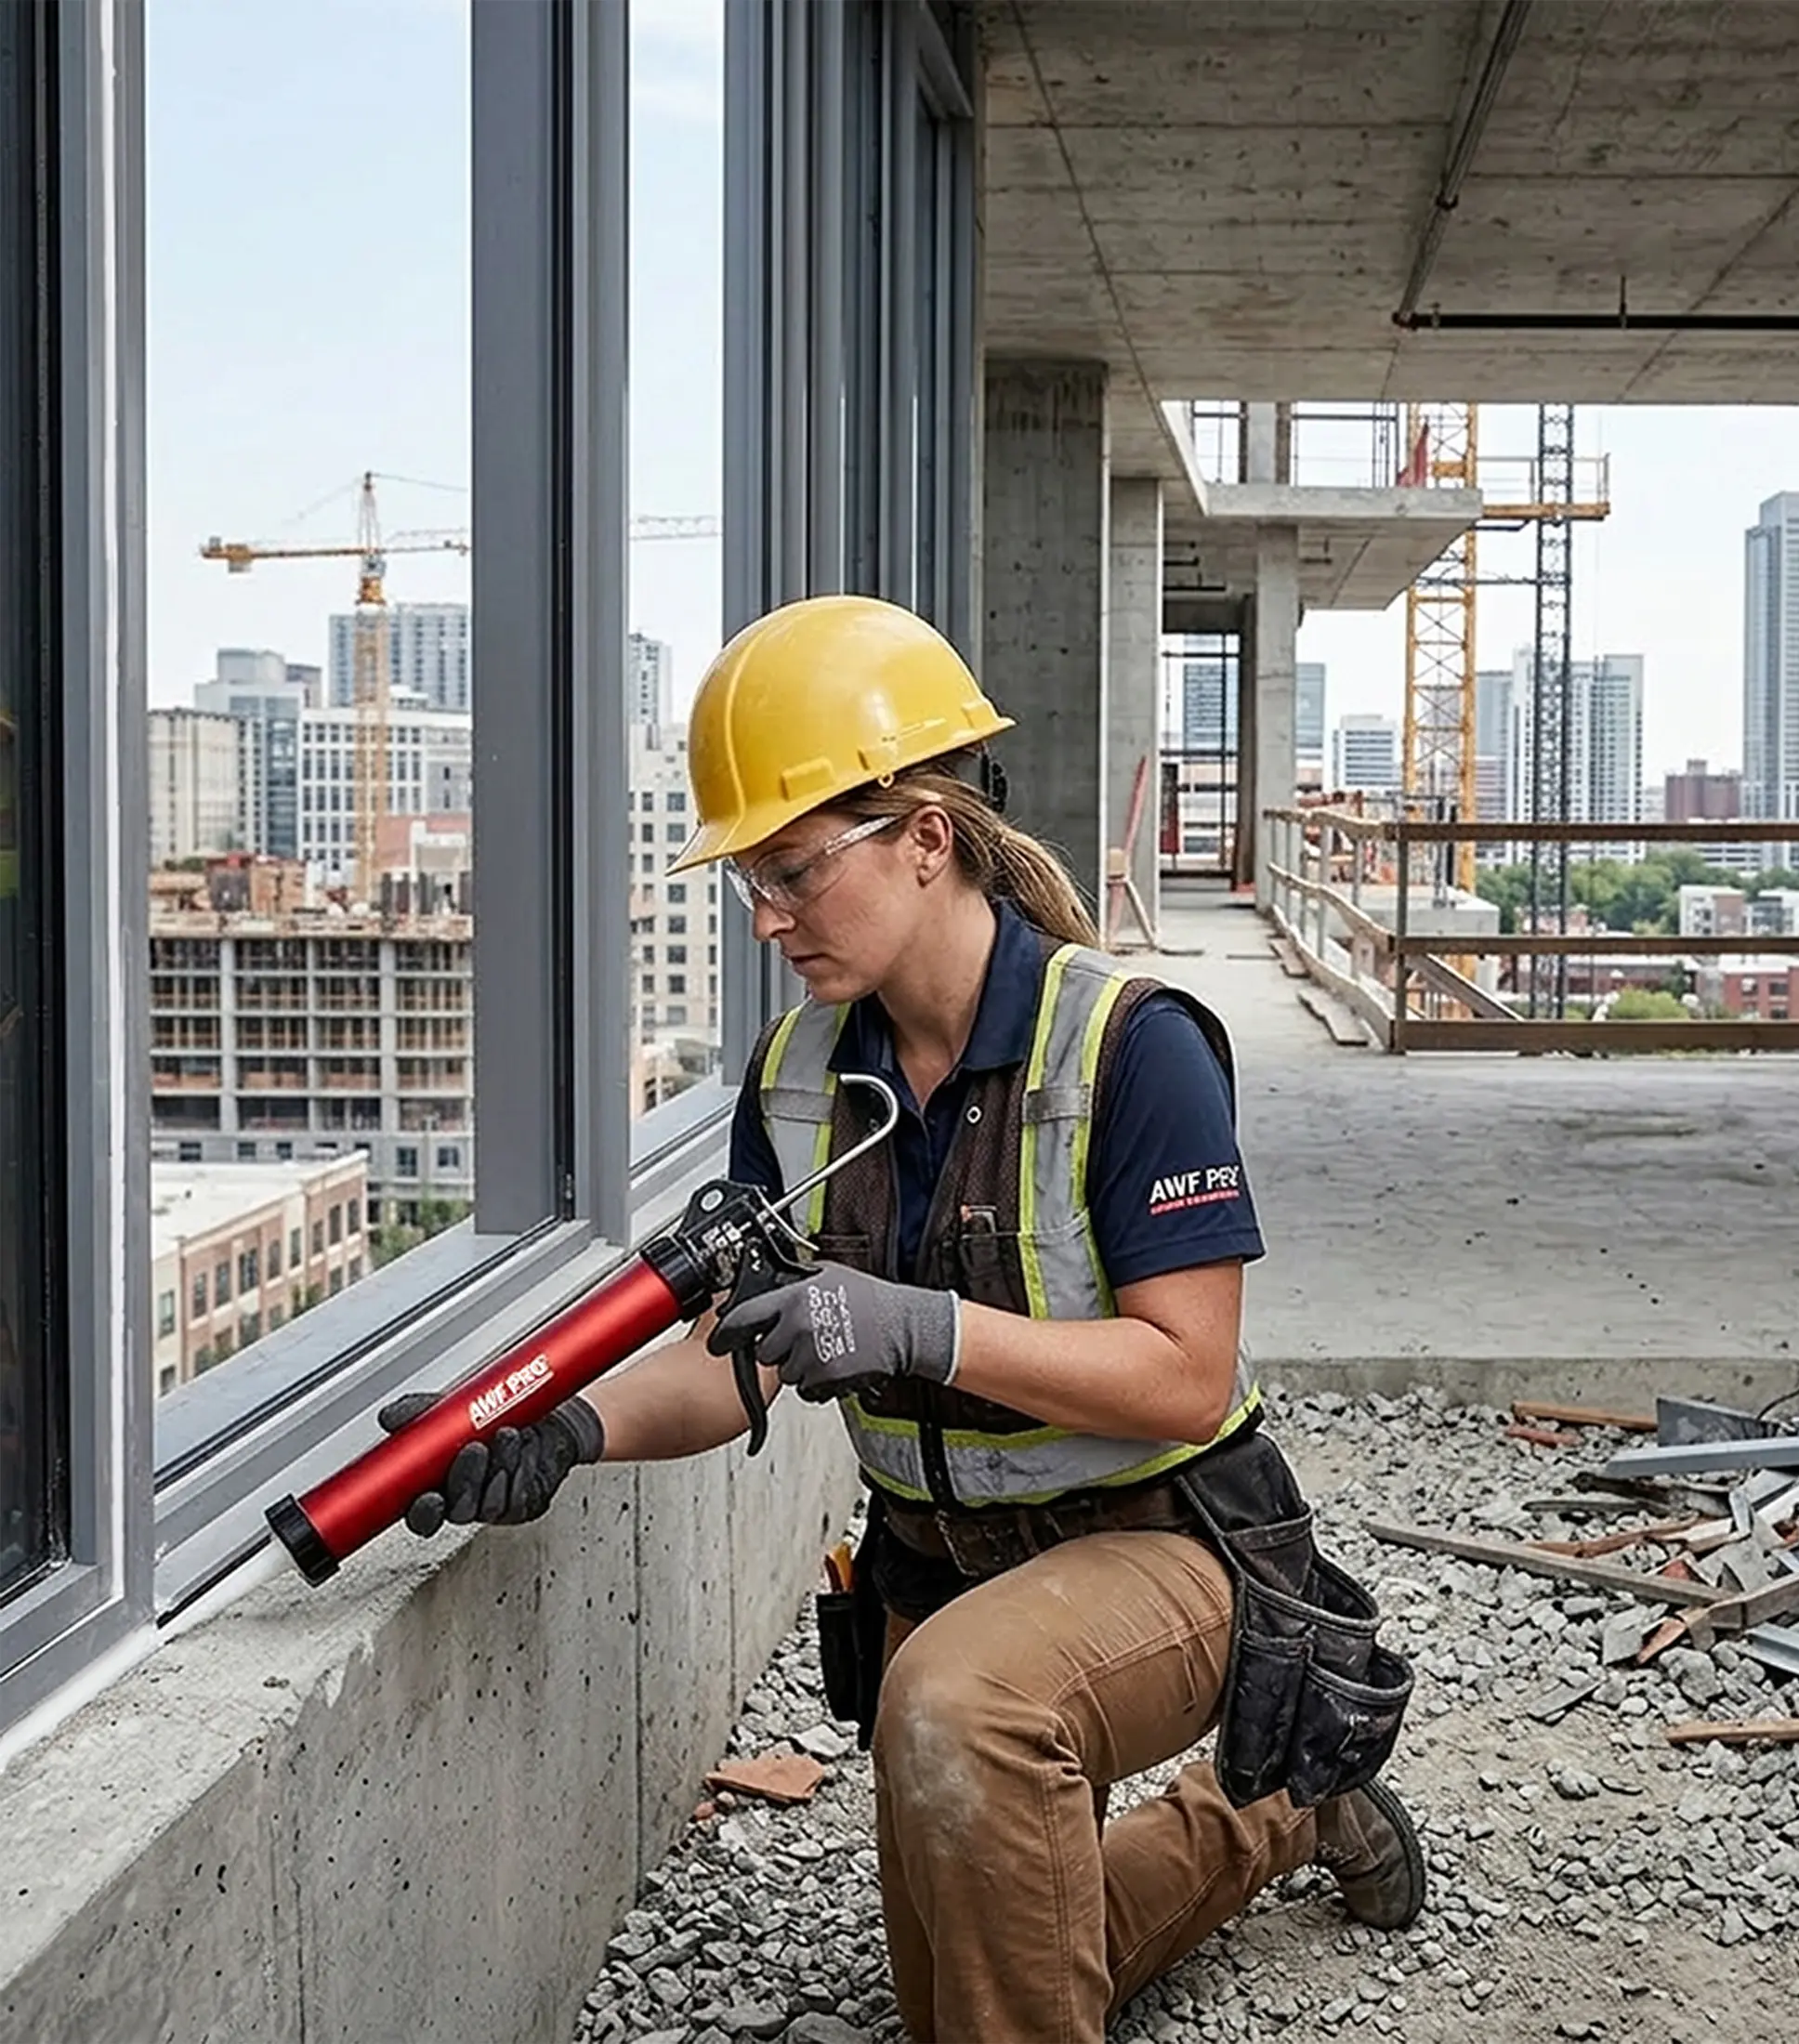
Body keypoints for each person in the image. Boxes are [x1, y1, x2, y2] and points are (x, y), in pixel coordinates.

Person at [384, 595, 1425, 2044]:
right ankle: (1283, 1819)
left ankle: (1238, 1791)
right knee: (973, 1986)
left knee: (957, 1712)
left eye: (794, 869)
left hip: (1170, 1546)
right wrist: (565, 1428)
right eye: (752, 875)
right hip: (945, 1574)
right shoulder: (800, 1080)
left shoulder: (1132, 1047)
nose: (765, 913)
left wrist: (917, 1329)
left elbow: (1189, 1381)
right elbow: (739, 1364)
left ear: (924, 838)